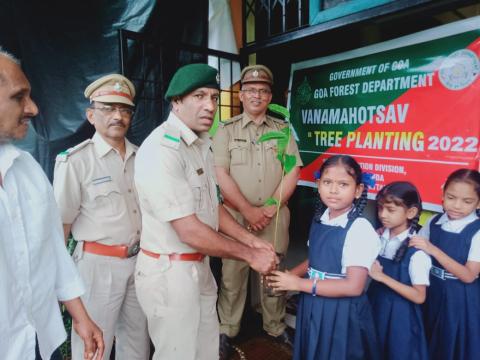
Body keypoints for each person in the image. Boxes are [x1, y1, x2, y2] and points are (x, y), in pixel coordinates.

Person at [133, 63, 277, 360]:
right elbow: (189, 230)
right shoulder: (162, 149)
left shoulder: (201, 145)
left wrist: (252, 241)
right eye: (199, 96)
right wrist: (250, 255)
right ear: (176, 101)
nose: (209, 105)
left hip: (198, 269)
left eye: (213, 97)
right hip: (170, 274)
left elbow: (214, 208)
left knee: (206, 353)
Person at [0, 49, 104, 360]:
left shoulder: (27, 169)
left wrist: (81, 317)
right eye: (20, 97)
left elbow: (53, 252)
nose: (33, 108)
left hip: (37, 340)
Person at [53, 74, 149, 360]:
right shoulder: (76, 161)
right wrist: (61, 285)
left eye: (124, 110)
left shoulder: (143, 157)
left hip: (140, 263)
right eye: (108, 108)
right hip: (97, 268)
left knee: (137, 344)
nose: (117, 116)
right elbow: (61, 228)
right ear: (91, 115)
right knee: (94, 347)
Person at [212, 64, 302, 356]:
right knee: (232, 275)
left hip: (275, 218)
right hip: (236, 218)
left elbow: (292, 172)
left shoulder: (282, 130)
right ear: (241, 94)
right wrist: (248, 210)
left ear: (270, 96)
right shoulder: (226, 130)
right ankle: (228, 330)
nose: (256, 96)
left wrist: (270, 207)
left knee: (273, 270)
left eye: (263, 91)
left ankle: (275, 327)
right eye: (250, 90)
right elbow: (220, 173)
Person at [268, 154, 381, 360]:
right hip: (314, 303)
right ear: (318, 185)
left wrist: (298, 284)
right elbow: (316, 259)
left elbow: (353, 286)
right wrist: (287, 277)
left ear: (358, 190)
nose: (334, 190)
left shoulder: (359, 229)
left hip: (340, 311)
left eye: (343, 184)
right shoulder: (322, 219)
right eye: (327, 182)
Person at [410, 169, 480, 360]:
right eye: (451, 197)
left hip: (460, 298)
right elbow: (414, 245)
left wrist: (433, 249)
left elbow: (468, 275)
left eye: (467, 201)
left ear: (478, 203)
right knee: (431, 340)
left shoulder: (477, 231)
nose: (457, 206)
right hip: (433, 290)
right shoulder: (434, 221)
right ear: (442, 194)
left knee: (454, 344)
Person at [367, 181, 430, 360]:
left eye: (390, 210)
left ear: (411, 212)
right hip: (375, 306)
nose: (382, 215)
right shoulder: (378, 237)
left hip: (401, 318)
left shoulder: (416, 252)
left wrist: (382, 277)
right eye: (380, 208)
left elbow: (419, 296)